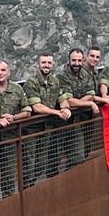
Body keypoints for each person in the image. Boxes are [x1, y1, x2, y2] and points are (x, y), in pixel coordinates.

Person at [0, 61, 31, 206]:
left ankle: (8, 207)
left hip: (11, 141)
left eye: (3, 70)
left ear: (8, 72)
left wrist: (14, 117)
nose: (0, 73)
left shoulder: (17, 89)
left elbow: (27, 111)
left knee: (9, 178)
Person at [23, 54, 72, 184]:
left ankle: (32, 184)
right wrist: (56, 112)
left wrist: (65, 108)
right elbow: (37, 107)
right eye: (43, 62)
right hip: (32, 129)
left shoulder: (54, 81)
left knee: (42, 162)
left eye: (49, 63)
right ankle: (28, 188)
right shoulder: (31, 82)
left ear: (52, 65)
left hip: (47, 127)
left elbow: (62, 99)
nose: (46, 65)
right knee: (29, 162)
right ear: (38, 64)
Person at [56, 49, 100, 167]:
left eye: (79, 60)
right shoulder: (62, 76)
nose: (76, 63)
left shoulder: (85, 74)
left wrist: (78, 103)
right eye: (74, 60)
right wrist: (89, 103)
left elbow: (91, 94)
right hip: (67, 122)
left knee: (85, 151)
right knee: (74, 156)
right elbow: (68, 101)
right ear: (69, 60)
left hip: (84, 119)